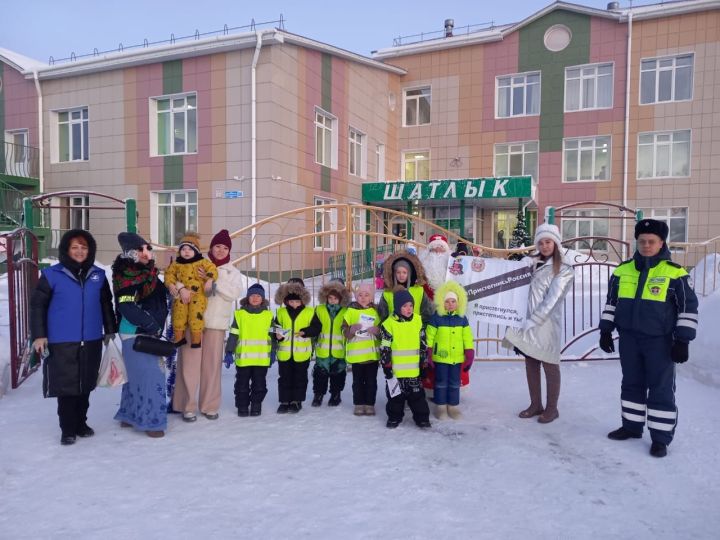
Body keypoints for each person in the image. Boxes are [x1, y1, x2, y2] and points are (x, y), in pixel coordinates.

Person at [599, 219, 699, 458]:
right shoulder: (622, 270)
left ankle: (660, 438)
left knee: (660, 389)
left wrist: (682, 340)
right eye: (642, 241)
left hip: (659, 342)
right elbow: (611, 303)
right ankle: (631, 427)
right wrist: (605, 329)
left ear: (661, 242)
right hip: (630, 339)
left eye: (651, 241)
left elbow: (688, 308)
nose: (646, 245)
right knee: (631, 383)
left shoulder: (675, 274)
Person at [30, 229, 117, 446]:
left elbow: (106, 303)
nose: (79, 252)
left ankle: (81, 423)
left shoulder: (97, 275)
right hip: (61, 340)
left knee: (85, 384)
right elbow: (37, 306)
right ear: (67, 250)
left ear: (90, 250)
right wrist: (39, 335)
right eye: (75, 247)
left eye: (84, 248)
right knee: (67, 386)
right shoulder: (52, 275)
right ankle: (67, 428)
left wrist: (109, 329)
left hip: (91, 339)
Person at [503, 223, 574, 424]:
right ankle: (535, 404)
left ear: (556, 243)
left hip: (546, 325)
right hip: (526, 323)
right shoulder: (532, 264)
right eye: (541, 242)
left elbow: (553, 299)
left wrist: (535, 319)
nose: (544, 246)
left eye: (548, 242)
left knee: (550, 365)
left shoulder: (564, 269)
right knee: (530, 362)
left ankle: (552, 408)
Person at [171, 229, 243, 421]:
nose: (221, 250)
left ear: (229, 251)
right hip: (191, 321)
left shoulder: (232, 271)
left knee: (211, 367)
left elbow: (234, 293)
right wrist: (181, 288)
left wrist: (213, 283)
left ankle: (209, 405)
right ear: (211, 247)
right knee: (189, 365)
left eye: (225, 247)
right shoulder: (196, 261)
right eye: (217, 246)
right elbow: (175, 277)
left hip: (215, 324)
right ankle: (186, 405)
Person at [112, 232, 170, 438]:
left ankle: (130, 415)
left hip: (146, 331)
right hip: (136, 332)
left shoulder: (147, 273)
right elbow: (126, 306)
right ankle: (153, 421)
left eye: (148, 248)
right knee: (152, 376)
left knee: (136, 377)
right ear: (131, 253)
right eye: (141, 249)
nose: (147, 253)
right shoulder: (127, 274)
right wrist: (150, 324)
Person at [379, 288, 431, 429]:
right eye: (404, 306)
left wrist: (424, 364)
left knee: (418, 397)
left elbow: (422, 344)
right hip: (396, 372)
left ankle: (422, 419)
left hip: (414, 371)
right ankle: (394, 417)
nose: (409, 309)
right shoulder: (388, 324)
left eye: (411, 305)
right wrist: (386, 366)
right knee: (395, 397)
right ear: (397, 307)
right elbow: (385, 347)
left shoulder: (418, 321)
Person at [425, 280, 475, 420]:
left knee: (454, 382)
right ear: (442, 302)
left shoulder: (462, 319)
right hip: (440, 357)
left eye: (453, 301)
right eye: (447, 301)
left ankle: (453, 406)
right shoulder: (436, 318)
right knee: (440, 382)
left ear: (458, 303)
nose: (450, 304)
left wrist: (469, 352)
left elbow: (467, 337)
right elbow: (429, 336)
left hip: (456, 358)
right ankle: (440, 406)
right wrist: (428, 352)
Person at [224, 283, 273, 417]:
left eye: (258, 296)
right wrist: (229, 351)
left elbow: (273, 336)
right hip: (244, 359)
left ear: (263, 299)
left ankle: (256, 405)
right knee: (241, 385)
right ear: (247, 298)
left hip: (261, 360)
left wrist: (273, 352)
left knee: (259, 385)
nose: (255, 298)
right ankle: (242, 406)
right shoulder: (240, 315)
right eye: (252, 295)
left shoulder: (268, 316)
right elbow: (233, 334)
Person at [273, 280, 321, 413]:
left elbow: (317, 328)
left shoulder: (310, 312)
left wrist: (306, 332)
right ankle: (284, 401)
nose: (294, 304)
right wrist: (277, 335)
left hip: (302, 353)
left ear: (303, 301)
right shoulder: (281, 312)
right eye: (291, 302)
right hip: (285, 353)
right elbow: (275, 327)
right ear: (286, 301)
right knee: (284, 378)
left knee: (300, 378)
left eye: (297, 302)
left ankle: (296, 401)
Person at [164, 232, 217, 348]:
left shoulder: (202, 262)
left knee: (195, 316)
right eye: (183, 249)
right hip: (180, 295)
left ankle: (196, 340)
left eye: (190, 249)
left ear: (196, 251)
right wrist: (171, 284)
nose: (186, 252)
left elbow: (213, 270)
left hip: (198, 295)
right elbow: (169, 274)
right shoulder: (176, 263)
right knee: (179, 315)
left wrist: (209, 279)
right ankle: (178, 338)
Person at [343, 283, 382, 416]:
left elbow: (383, 332)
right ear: (356, 296)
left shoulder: (376, 312)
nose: (363, 297)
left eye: (367, 295)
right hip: (356, 356)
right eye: (360, 295)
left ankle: (370, 404)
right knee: (357, 382)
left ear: (371, 297)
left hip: (372, 355)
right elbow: (344, 332)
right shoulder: (350, 312)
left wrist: (378, 331)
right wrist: (351, 329)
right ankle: (359, 404)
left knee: (371, 382)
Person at [311, 280, 350, 407]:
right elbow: (314, 326)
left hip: (339, 351)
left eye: (335, 298)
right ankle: (318, 394)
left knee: (337, 374)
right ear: (326, 297)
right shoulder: (319, 310)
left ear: (341, 298)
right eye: (330, 298)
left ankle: (336, 394)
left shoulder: (346, 312)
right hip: (323, 350)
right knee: (320, 374)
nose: (332, 300)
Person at [377, 250, 434, 323]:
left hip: (414, 330)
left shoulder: (419, 290)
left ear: (409, 273)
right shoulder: (388, 292)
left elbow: (427, 313)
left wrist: (422, 328)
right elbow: (383, 316)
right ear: (394, 274)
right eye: (398, 272)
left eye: (404, 272)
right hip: (395, 330)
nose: (401, 275)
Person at [419, 233, 451, 299]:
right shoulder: (422, 262)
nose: (437, 250)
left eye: (441, 247)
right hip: (426, 297)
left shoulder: (451, 261)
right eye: (434, 247)